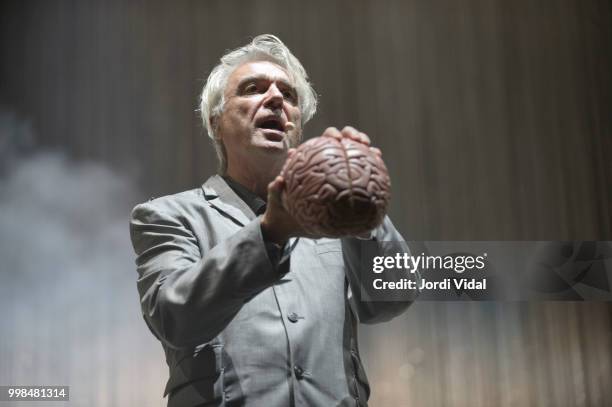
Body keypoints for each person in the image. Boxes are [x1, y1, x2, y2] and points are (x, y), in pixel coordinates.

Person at [130, 34, 418, 407]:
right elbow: (173, 318)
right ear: (216, 122)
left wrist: (365, 215)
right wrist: (270, 231)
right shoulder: (170, 216)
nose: (276, 99)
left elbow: (393, 298)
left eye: (289, 94)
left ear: (297, 126)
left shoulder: (336, 221)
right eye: (253, 89)